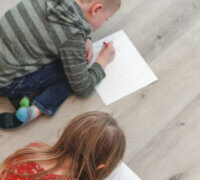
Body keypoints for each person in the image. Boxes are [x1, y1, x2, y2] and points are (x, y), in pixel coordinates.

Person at [0, 0, 120, 130]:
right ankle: (36, 109)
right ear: (96, 9)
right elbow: (82, 88)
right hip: (6, 83)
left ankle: (20, 96)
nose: (105, 22)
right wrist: (102, 61)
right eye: (106, 18)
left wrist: (86, 38)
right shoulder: (72, 36)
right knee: (70, 73)